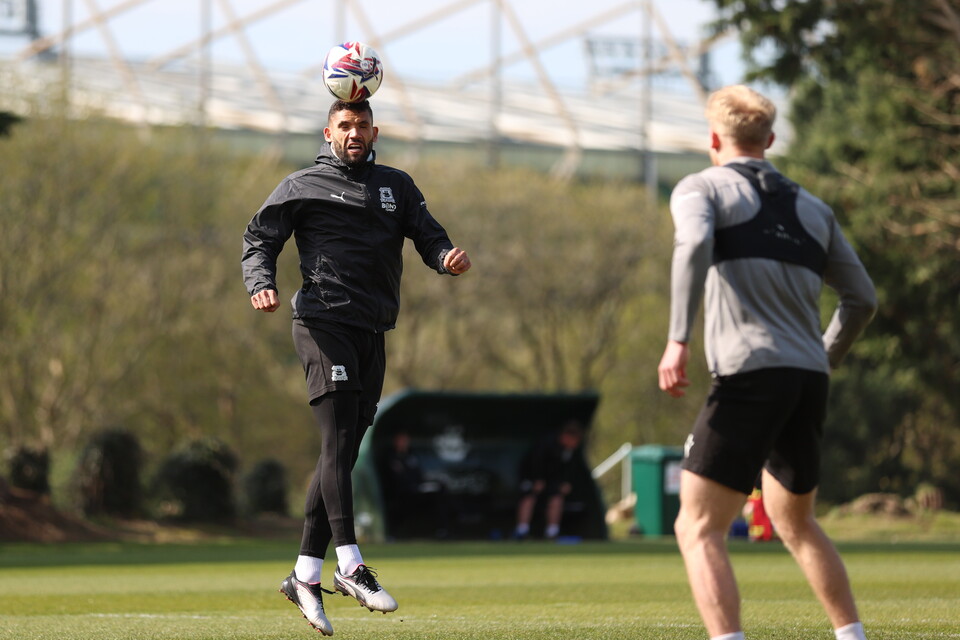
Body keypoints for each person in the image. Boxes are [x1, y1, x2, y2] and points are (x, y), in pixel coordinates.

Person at [242, 98, 472, 636]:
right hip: (323, 324)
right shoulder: (301, 185)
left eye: (362, 125)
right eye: (344, 125)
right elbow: (259, 239)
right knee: (338, 440)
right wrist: (261, 283)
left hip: (373, 332)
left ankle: (304, 575)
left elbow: (428, 234)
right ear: (328, 133)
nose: (354, 132)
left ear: (374, 131)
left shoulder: (396, 185)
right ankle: (350, 564)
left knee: (341, 453)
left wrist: (445, 257)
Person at [656, 85, 877, 640]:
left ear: (714, 139)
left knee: (697, 526)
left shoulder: (701, 187)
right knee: (795, 522)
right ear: (770, 140)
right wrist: (823, 357)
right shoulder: (815, 209)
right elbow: (862, 300)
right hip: (808, 379)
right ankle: (852, 636)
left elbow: (693, 246)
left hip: (750, 372)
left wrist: (678, 338)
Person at [513, 420, 585, 540]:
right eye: (574, 440)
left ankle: (552, 532)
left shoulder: (570, 451)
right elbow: (535, 462)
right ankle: (522, 531)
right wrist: (537, 479)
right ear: (566, 436)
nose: (575, 444)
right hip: (531, 477)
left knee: (557, 498)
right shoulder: (546, 442)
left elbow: (568, 469)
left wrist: (565, 482)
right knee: (528, 497)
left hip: (552, 481)